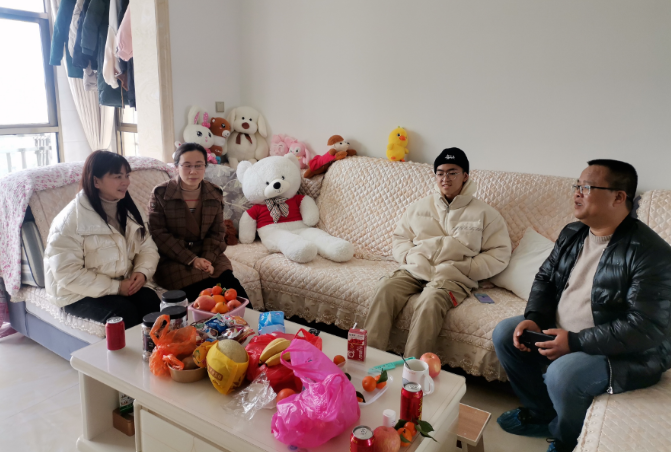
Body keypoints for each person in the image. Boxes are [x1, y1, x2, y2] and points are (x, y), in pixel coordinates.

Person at [493, 160, 671, 452]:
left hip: (627, 354)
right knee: (506, 333)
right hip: (565, 332)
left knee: (564, 374)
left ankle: (567, 440)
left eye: (587, 187)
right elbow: (545, 279)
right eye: (577, 186)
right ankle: (541, 414)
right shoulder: (573, 233)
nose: (577, 193)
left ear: (618, 197)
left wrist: (574, 342)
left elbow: (645, 326)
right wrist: (535, 317)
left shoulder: (651, 253)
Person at [364, 148, 512, 359]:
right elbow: (400, 238)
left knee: (430, 301)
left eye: (452, 172)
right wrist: (408, 257)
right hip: (416, 269)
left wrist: (468, 268)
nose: (445, 178)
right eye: (440, 173)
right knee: (385, 288)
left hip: (453, 276)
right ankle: (367, 360)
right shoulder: (419, 207)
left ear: (465, 176)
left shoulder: (485, 214)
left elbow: (499, 253)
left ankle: (414, 370)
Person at [44, 151, 161, 328]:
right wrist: (116, 288)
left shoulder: (130, 208)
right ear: (96, 181)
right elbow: (67, 273)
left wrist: (142, 272)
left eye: (127, 176)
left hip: (121, 282)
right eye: (118, 176)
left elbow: (147, 247)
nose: (126, 182)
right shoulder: (69, 221)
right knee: (123, 313)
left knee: (150, 300)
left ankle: (158, 346)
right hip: (76, 293)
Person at [148, 143, 247, 302]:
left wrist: (206, 259)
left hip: (208, 253)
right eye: (187, 165)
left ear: (205, 167)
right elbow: (158, 234)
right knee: (204, 296)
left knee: (235, 292)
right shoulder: (161, 193)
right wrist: (192, 260)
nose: (193, 171)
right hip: (175, 258)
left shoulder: (214, 193)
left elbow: (217, 232)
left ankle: (249, 319)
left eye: (199, 165)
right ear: (176, 167)